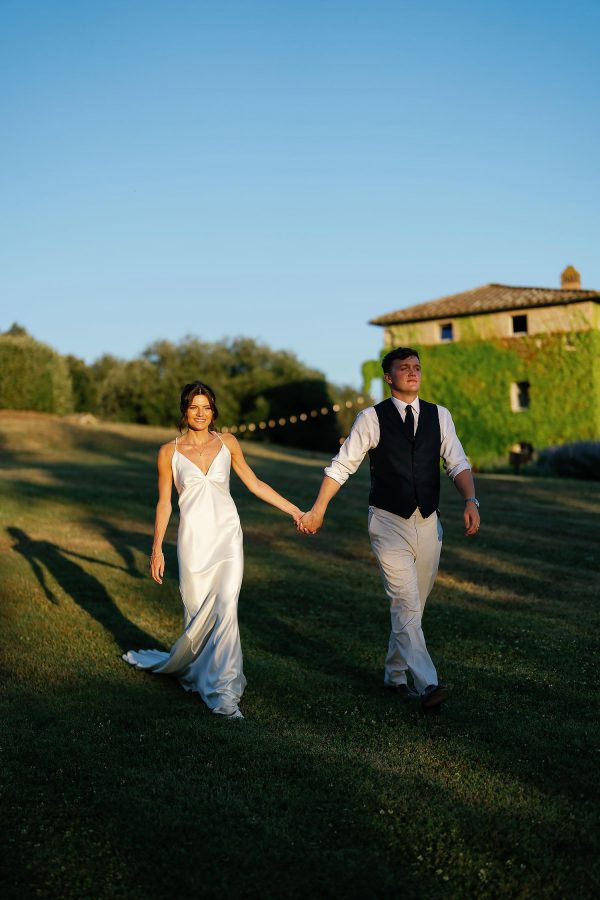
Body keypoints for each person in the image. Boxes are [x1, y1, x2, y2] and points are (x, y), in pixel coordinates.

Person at [299, 347, 480, 710]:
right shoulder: (371, 418)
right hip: (387, 522)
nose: (413, 373)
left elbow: (456, 461)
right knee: (405, 601)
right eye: (404, 368)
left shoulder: (439, 416)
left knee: (415, 605)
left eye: (417, 368)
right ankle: (427, 684)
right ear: (389, 376)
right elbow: (341, 466)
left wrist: (471, 500)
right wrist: (318, 508)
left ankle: (394, 674)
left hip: (429, 521)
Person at [123, 381, 303, 719]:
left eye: (206, 407)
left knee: (226, 608)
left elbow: (255, 483)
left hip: (227, 537)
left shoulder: (228, 443)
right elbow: (164, 504)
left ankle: (225, 694)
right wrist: (157, 548)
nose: (201, 413)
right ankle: (196, 672)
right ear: (185, 411)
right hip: (193, 542)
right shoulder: (168, 452)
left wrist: (294, 511)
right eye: (194, 407)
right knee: (196, 611)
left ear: (214, 411)